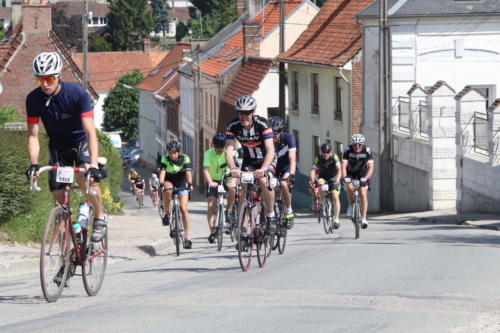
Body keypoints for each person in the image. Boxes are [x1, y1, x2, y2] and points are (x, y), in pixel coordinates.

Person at [25, 52, 106, 284]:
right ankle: (66, 260)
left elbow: (91, 132)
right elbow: (33, 135)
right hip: (57, 148)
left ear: (58, 76)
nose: (45, 84)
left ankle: (99, 216)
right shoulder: (33, 99)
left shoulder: (76, 93)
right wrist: (33, 164)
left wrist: (92, 165)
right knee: (60, 205)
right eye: (40, 79)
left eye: (49, 78)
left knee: (86, 181)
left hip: (80, 143)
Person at [224, 95, 277, 236]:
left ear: (254, 112)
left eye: (247, 113)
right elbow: (228, 151)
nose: (244, 116)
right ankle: (243, 231)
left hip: (267, 160)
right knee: (244, 191)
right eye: (241, 113)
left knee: (264, 181)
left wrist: (264, 169)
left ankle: (271, 215)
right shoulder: (232, 126)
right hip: (249, 161)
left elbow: (271, 150)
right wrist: (233, 168)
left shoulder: (263, 124)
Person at [203, 133, 238, 243]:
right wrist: (210, 182)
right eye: (216, 146)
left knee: (232, 189)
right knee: (211, 205)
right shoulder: (208, 153)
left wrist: (232, 182)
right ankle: (212, 232)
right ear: (213, 145)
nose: (219, 149)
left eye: (221, 147)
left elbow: (235, 171)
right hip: (212, 179)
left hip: (226, 176)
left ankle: (228, 210)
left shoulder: (229, 153)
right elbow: (205, 171)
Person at [159, 140, 194, 249]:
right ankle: (166, 213)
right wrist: (161, 184)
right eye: (170, 153)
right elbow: (162, 173)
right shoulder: (165, 159)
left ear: (179, 152)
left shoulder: (185, 158)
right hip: (169, 180)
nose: (172, 155)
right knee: (168, 190)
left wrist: (190, 184)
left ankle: (187, 237)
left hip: (181, 180)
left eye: (174, 152)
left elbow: (188, 173)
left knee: (183, 208)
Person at [268, 116, 297, 229]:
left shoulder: (289, 138)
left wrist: (291, 175)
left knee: (284, 184)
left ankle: (289, 211)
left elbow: (292, 159)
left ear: (281, 131)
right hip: (273, 167)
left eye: (275, 132)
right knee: (266, 185)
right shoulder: (267, 139)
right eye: (270, 132)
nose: (272, 135)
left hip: (286, 167)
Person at [342, 134, 374, 229]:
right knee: (350, 187)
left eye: (359, 145)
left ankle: (364, 218)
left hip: (363, 173)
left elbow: (371, 167)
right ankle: (351, 205)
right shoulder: (348, 150)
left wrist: (367, 177)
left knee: (363, 194)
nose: (357, 147)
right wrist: (345, 177)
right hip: (350, 172)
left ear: (362, 144)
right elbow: (343, 166)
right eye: (355, 145)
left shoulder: (366, 150)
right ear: (352, 145)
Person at [309, 143, 342, 229]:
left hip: (334, 177)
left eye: (327, 152)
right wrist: (312, 180)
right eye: (324, 152)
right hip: (323, 176)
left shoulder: (334, 157)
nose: (326, 154)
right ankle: (323, 202)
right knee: (320, 184)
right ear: (321, 152)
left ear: (330, 152)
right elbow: (313, 170)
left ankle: (336, 220)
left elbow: (339, 170)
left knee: (335, 197)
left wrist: (337, 180)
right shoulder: (318, 158)